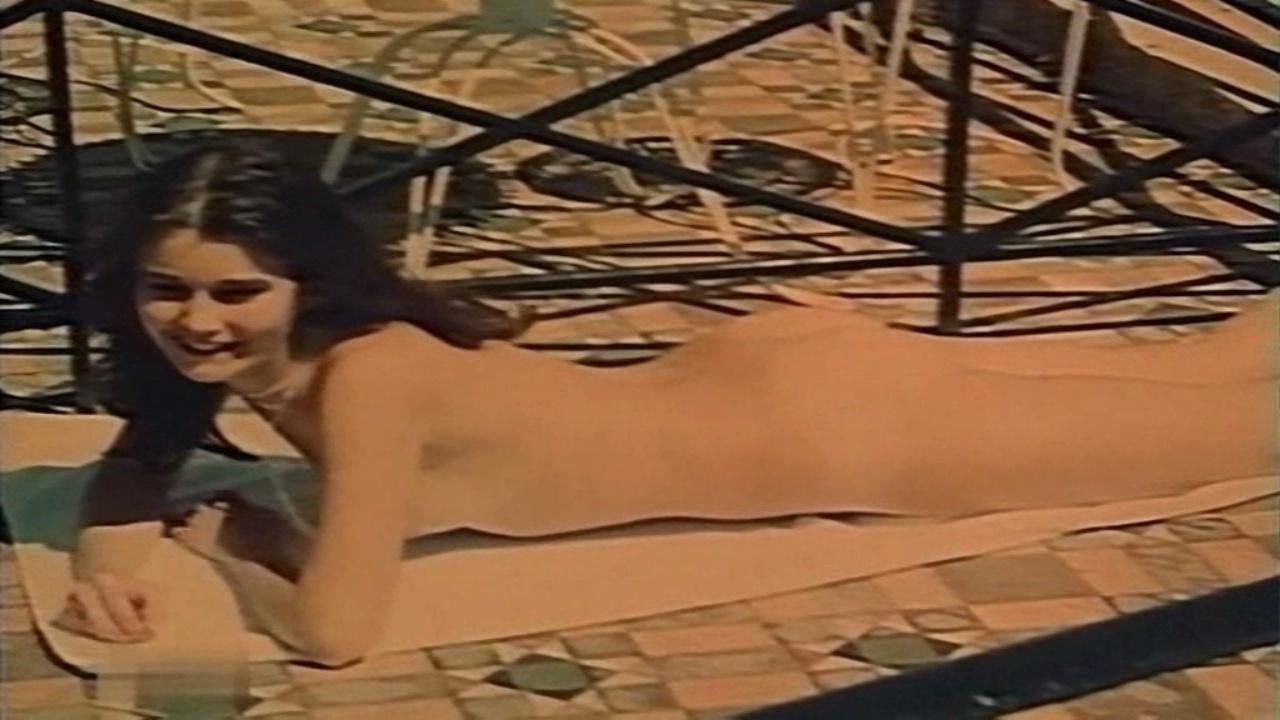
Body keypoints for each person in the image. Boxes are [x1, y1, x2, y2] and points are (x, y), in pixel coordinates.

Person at [52, 141, 1278, 667]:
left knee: (1242, 419)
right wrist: (113, 564)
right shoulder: (247, 361)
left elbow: (334, 633)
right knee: (1212, 361)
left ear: (304, 283)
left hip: (853, 435)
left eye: (235, 291)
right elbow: (136, 471)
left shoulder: (372, 377)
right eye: (167, 290)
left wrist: (237, 545)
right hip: (769, 377)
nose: (195, 320)